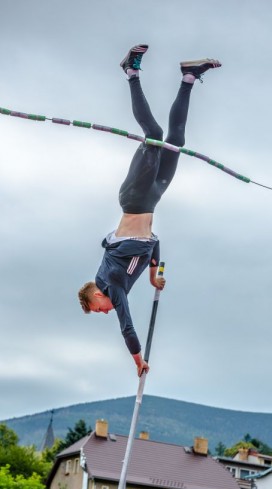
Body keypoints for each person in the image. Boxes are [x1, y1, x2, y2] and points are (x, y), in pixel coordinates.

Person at [78, 44, 221, 376]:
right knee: (176, 141)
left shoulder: (112, 281)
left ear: (96, 295)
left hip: (133, 198)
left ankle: (130, 71)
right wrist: (155, 274)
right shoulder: (124, 279)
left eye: (98, 309)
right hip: (152, 198)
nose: (105, 312)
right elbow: (152, 242)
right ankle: (189, 76)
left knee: (154, 135)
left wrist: (138, 360)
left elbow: (126, 326)